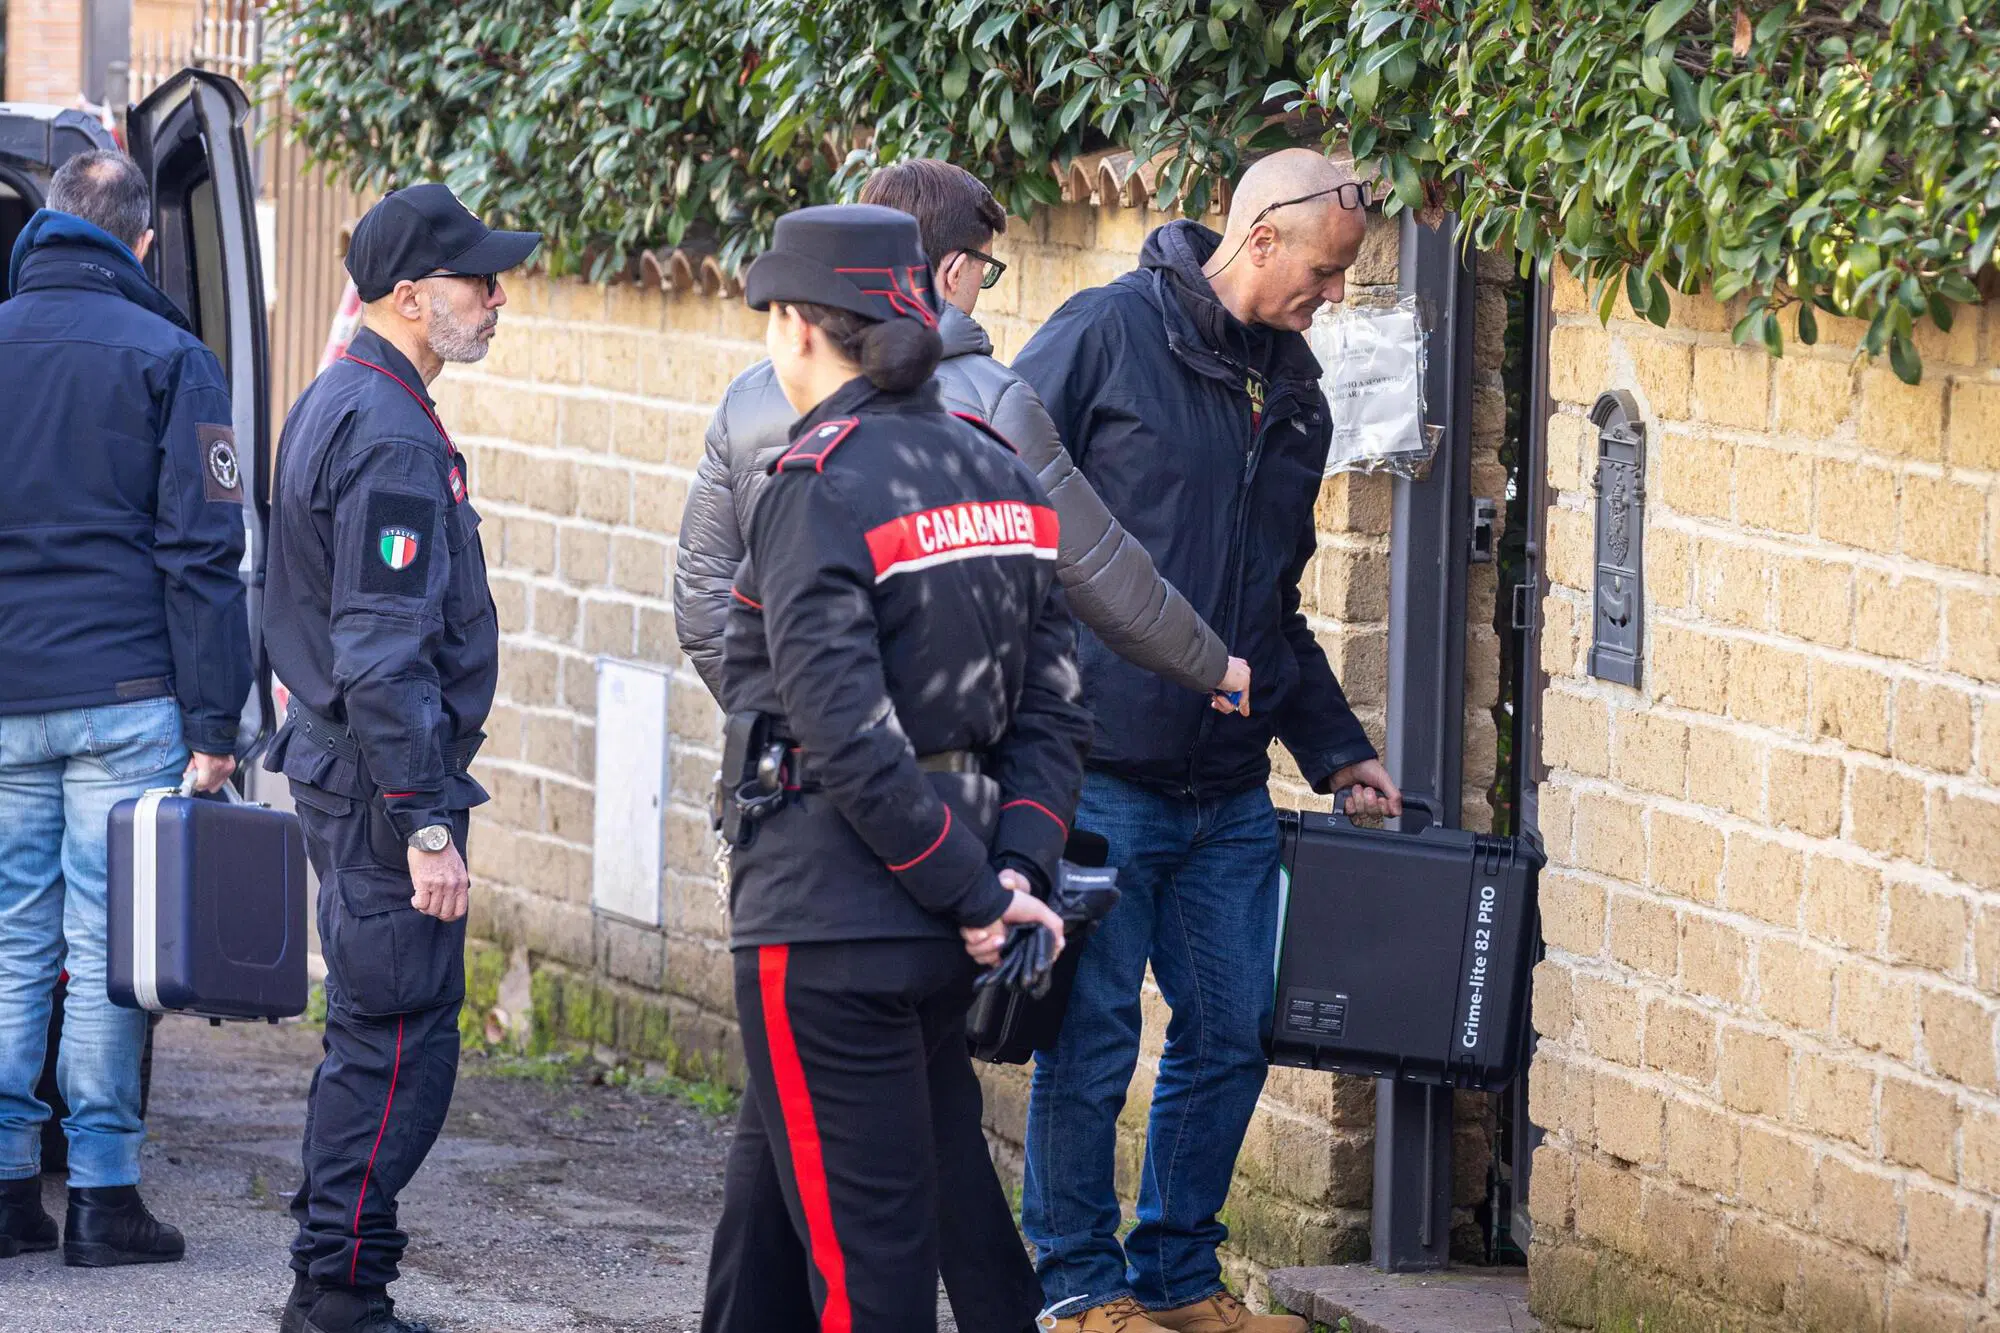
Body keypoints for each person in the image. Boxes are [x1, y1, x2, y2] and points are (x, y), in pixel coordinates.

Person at [1010, 150, 1405, 1333]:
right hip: (1098, 770)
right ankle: (1078, 1288)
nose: (1331, 296)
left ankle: (1176, 1279)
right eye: (1324, 272)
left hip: (1224, 788)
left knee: (1232, 1033)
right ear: (1260, 236)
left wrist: (1336, 748)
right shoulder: (1102, 336)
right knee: (1088, 1043)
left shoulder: (1297, 398)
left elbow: (1268, 605)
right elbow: (997, 504)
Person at [699, 202, 1090, 1333]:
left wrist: (976, 893)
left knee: (867, 1279)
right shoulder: (1002, 473)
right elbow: (1056, 710)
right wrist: (1011, 870)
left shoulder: (815, 481)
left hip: (826, 920)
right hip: (938, 922)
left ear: (797, 327)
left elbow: (844, 732)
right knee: (767, 1224)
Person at [261, 184, 538, 1333]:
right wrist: (425, 820)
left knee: (375, 1034)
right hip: (385, 790)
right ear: (412, 297)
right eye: (479, 282)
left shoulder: (350, 396)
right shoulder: (385, 432)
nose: (497, 298)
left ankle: (334, 1282)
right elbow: (379, 653)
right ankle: (339, 1295)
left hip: (359, 776)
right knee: (396, 1047)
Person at [674, 159, 1249, 711]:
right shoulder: (994, 402)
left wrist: (790, 730)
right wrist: (1212, 665)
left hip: (797, 759)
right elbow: (1099, 570)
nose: (980, 286)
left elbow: (704, 603)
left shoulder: (746, 397)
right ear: (954, 270)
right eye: (985, 270)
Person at [0, 150, 250, 1268]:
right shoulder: (175, 357)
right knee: (107, 945)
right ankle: (103, 1197)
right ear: (142, 241)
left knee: (11, 938)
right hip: (126, 698)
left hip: (7, 698)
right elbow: (205, 554)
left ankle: (7, 1192)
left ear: (49, 223)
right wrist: (215, 725)